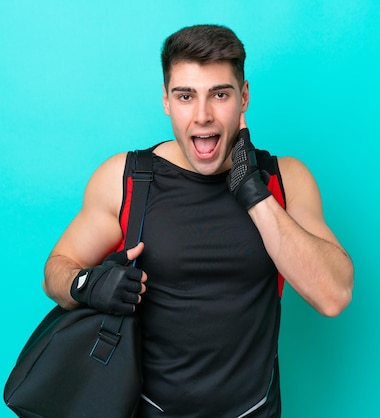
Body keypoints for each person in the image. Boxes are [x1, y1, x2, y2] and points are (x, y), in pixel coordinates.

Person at [42, 24, 354, 417]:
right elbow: (55, 271)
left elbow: (334, 295)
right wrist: (87, 284)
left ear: (244, 98)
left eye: (219, 95)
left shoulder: (284, 179)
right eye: (185, 96)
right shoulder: (127, 180)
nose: (202, 116)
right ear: (166, 101)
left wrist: (255, 195)